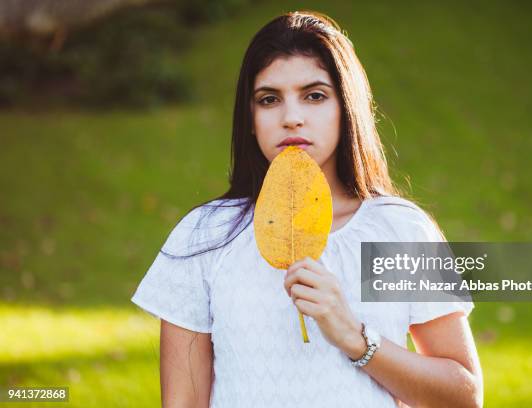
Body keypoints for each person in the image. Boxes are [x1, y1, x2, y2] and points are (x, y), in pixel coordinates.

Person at [131, 10, 483, 408]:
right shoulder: (204, 237)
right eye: (269, 99)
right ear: (250, 118)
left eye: (314, 96)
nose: (291, 118)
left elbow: (464, 397)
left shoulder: (398, 231)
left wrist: (354, 336)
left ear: (345, 108)